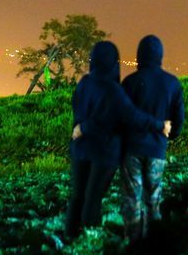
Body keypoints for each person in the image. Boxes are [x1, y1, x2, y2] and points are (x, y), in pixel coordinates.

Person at [65, 40, 170, 239]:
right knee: (93, 199)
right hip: (104, 152)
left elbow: (80, 116)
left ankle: (70, 237)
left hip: (80, 149)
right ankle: (88, 243)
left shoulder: (84, 83)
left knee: (77, 197)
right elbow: (133, 116)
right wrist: (160, 125)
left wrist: (83, 128)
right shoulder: (114, 91)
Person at [119, 34, 185, 242]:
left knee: (132, 200)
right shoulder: (173, 84)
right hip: (157, 150)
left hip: (131, 151)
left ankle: (133, 245)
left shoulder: (129, 83)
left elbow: (122, 117)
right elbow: (178, 123)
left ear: (139, 56)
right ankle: (155, 243)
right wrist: (169, 134)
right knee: (153, 199)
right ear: (160, 56)